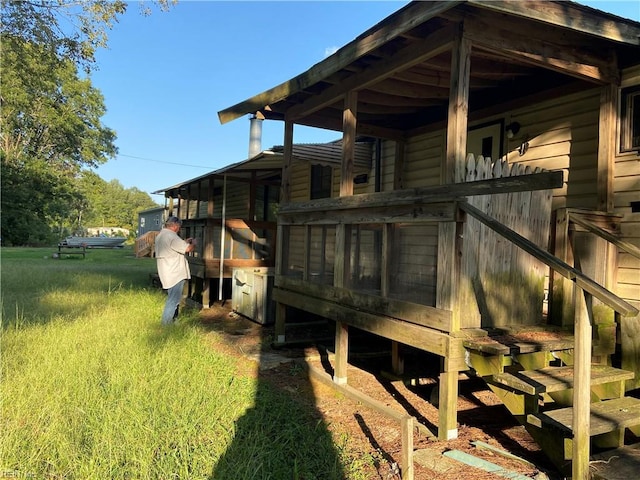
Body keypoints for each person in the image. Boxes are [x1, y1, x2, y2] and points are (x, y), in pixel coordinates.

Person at [155, 216, 195, 325]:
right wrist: (194, 243)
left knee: (174, 298)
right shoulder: (172, 236)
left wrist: (185, 241)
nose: (179, 229)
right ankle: (166, 324)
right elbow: (187, 249)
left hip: (166, 272)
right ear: (174, 225)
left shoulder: (161, 235)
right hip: (175, 273)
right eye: (179, 227)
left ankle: (173, 320)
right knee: (173, 300)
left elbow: (174, 246)